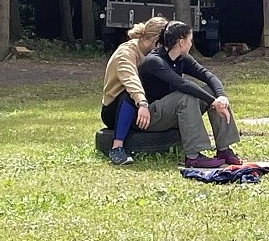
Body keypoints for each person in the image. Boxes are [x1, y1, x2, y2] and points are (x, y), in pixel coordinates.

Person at [139, 20, 244, 170]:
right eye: (190, 40)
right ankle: (193, 157)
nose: (191, 43)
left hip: (174, 112)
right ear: (182, 42)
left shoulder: (182, 58)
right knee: (186, 96)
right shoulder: (154, 61)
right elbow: (182, 84)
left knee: (211, 91)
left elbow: (208, 76)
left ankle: (224, 149)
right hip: (152, 116)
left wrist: (220, 97)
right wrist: (212, 101)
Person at [99, 15, 169, 165]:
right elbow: (130, 79)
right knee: (129, 94)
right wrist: (142, 103)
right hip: (115, 109)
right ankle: (117, 148)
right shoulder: (126, 53)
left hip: (142, 105)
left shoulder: (154, 54)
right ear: (155, 39)